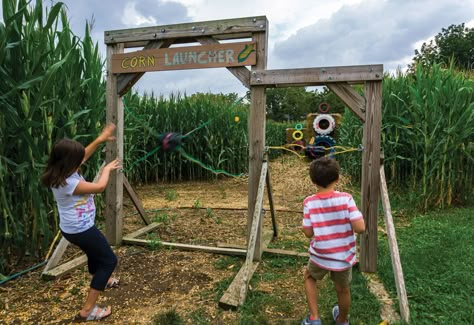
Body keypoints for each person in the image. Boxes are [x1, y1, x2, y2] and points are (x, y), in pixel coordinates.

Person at [41, 123, 121, 322]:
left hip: (72, 228)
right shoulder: (69, 183)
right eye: (78, 160)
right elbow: (100, 187)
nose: (82, 161)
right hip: (81, 229)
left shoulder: (61, 171)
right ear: (70, 162)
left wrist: (100, 139)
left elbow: (84, 153)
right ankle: (88, 311)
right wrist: (107, 169)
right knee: (109, 260)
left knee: (95, 252)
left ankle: (104, 278)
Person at [300, 157, 365, 325]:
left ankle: (314, 319)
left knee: (309, 277)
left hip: (320, 255)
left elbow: (308, 233)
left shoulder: (309, 202)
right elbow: (360, 227)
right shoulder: (346, 199)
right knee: (343, 289)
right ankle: (342, 321)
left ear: (313, 181)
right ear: (337, 179)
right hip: (343, 256)